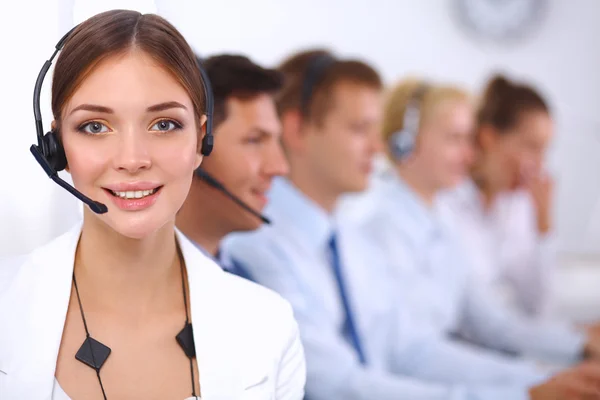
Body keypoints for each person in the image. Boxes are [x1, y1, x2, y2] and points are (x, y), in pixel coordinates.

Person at [223, 49, 600, 400]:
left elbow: (409, 347)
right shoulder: (259, 246)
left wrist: (533, 383)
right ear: (298, 130)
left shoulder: (348, 240)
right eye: (359, 129)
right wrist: (522, 393)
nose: (378, 146)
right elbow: (335, 384)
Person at [0, 10, 305, 399]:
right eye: (95, 126)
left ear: (201, 142)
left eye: (164, 124)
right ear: (56, 148)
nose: (132, 158)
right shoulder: (6, 307)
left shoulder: (269, 327)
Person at [350, 77, 600, 366]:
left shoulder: (437, 219)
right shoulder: (381, 223)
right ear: (405, 143)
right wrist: (534, 383)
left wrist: (579, 345)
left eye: (468, 140)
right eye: (455, 139)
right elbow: (412, 354)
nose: (470, 155)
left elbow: (495, 321)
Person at [439, 74, 556, 318]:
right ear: (489, 138)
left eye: (544, 150)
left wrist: (544, 224)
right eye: (531, 147)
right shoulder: (444, 200)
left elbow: (537, 308)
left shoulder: (518, 206)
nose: (538, 164)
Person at [176, 54, 288, 278]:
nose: (279, 167)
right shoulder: (142, 288)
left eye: (277, 141)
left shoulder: (246, 281)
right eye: (255, 140)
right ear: (196, 147)